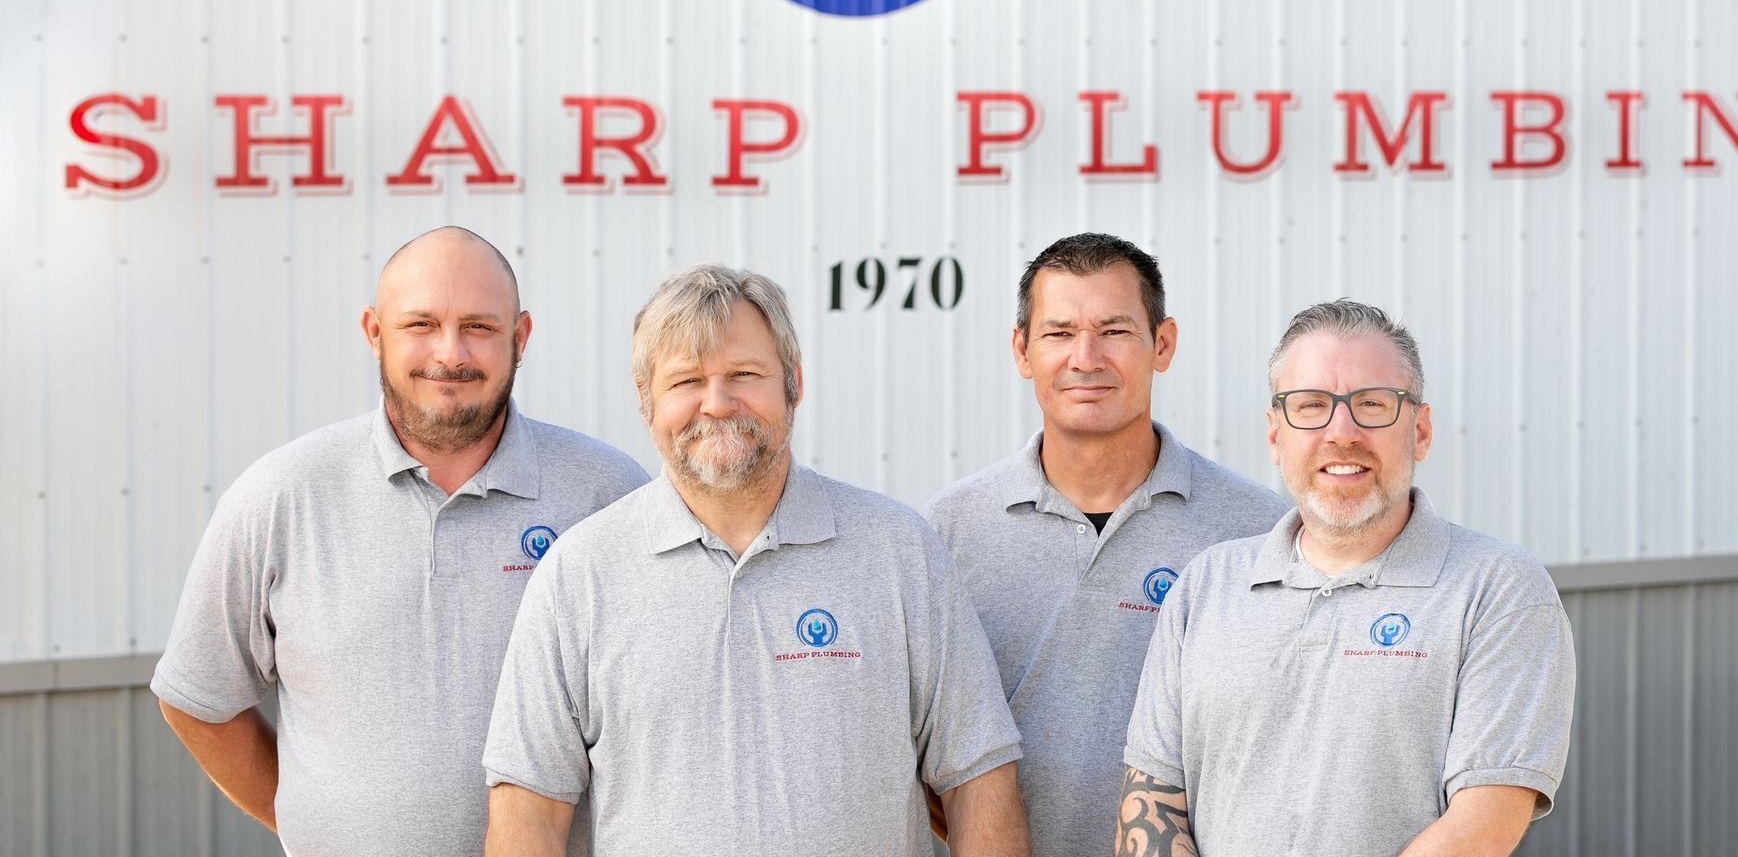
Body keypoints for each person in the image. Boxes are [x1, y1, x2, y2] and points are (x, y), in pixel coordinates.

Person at [482, 264, 1031, 856]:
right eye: (687, 380)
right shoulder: (578, 574)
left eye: (744, 374)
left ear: (794, 382)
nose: (717, 403)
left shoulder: (900, 552)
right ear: (645, 400)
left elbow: (979, 781)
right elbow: (528, 819)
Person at [151, 226, 649, 857]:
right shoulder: (281, 496)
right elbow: (199, 700)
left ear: (520, 338)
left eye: (479, 326)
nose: (450, 352)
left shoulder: (608, 494)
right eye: (421, 324)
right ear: (374, 332)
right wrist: (315, 824)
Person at [1118, 299, 1576, 857]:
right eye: (1311, 406)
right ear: (1275, 435)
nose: (1342, 432)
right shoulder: (1206, 585)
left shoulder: (1498, 590)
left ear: (1420, 431)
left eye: (1372, 404)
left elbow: (1482, 825)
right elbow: (1151, 801)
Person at [925, 233, 1284, 856]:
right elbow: (922, 750)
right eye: (1059, 333)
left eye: (1114, 331)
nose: (1085, 358)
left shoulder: (1255, 529)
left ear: (1162, 344)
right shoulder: (945, 533)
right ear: (1022, 350)